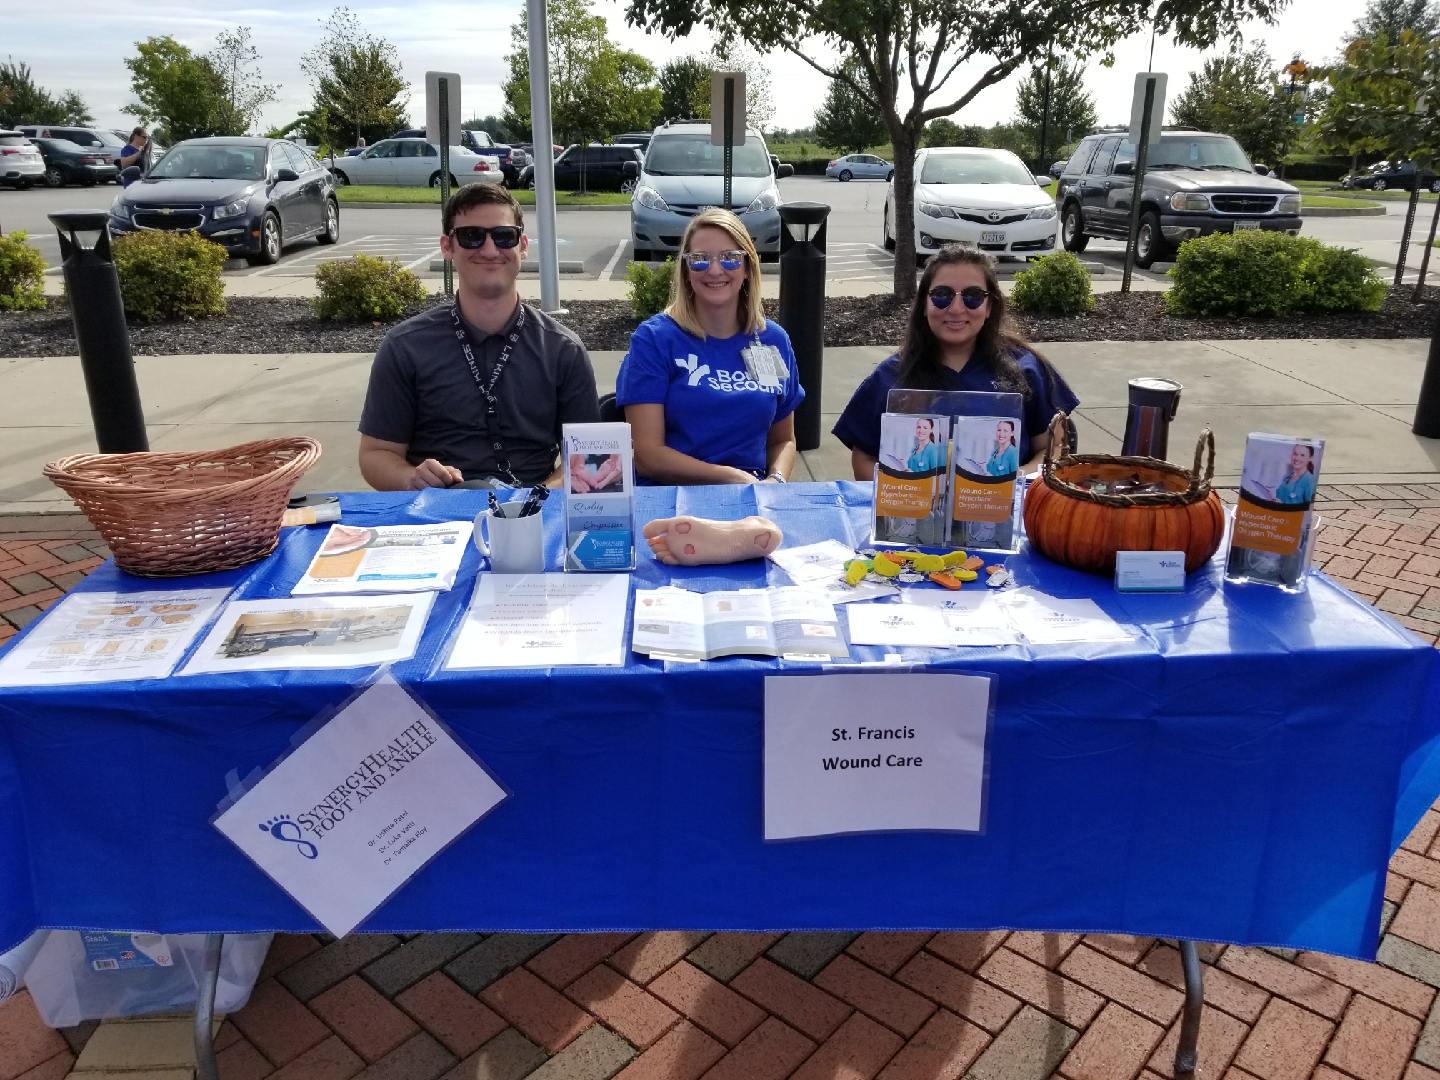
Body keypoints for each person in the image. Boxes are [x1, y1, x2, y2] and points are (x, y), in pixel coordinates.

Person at [358, 183, 600, 490]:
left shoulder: (563, 349)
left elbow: (589, 454)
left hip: (534, 505)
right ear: (447, 247)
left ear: (523, 245)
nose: (489, 250)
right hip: (438, 505)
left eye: (504, 236)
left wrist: (541, 495)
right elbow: (376, 454)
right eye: (471, 236)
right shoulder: (406, 346)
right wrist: (412, 478)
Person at [833, 245, 1079, 480]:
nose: (956, 308)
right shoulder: (889, 377)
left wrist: (1012, 483)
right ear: (924, 305)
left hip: (1004, 507)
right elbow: (864, 459)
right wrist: (902, 490)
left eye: (973, 296)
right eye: (942, 295)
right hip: (912, 508)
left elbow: (1054, 448)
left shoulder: (1025, 369)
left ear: (989, 306)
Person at [615, 208, 803, 484]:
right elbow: (647, 455)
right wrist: (732, 478)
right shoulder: (655, 340)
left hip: (752, 494)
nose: (715, 270)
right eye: (700, 259)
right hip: (671, 495)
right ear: (686, 271)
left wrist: (775, 481)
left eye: (730, 258)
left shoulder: (772, 340)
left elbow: (783, 440)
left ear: (748, 268)